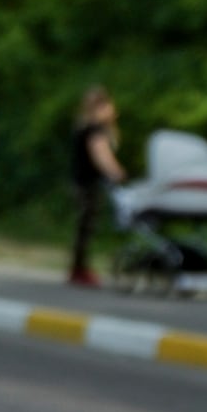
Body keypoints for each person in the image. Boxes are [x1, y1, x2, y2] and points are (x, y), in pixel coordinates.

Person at [67, 83, 122, 288]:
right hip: (87, 183)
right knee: (87, 226)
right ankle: (80, 269)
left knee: (83, 226)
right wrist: (117, 173)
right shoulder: (95, 129)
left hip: (79, 181)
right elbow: (101, 156)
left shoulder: (82, 126)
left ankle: (77, 267)